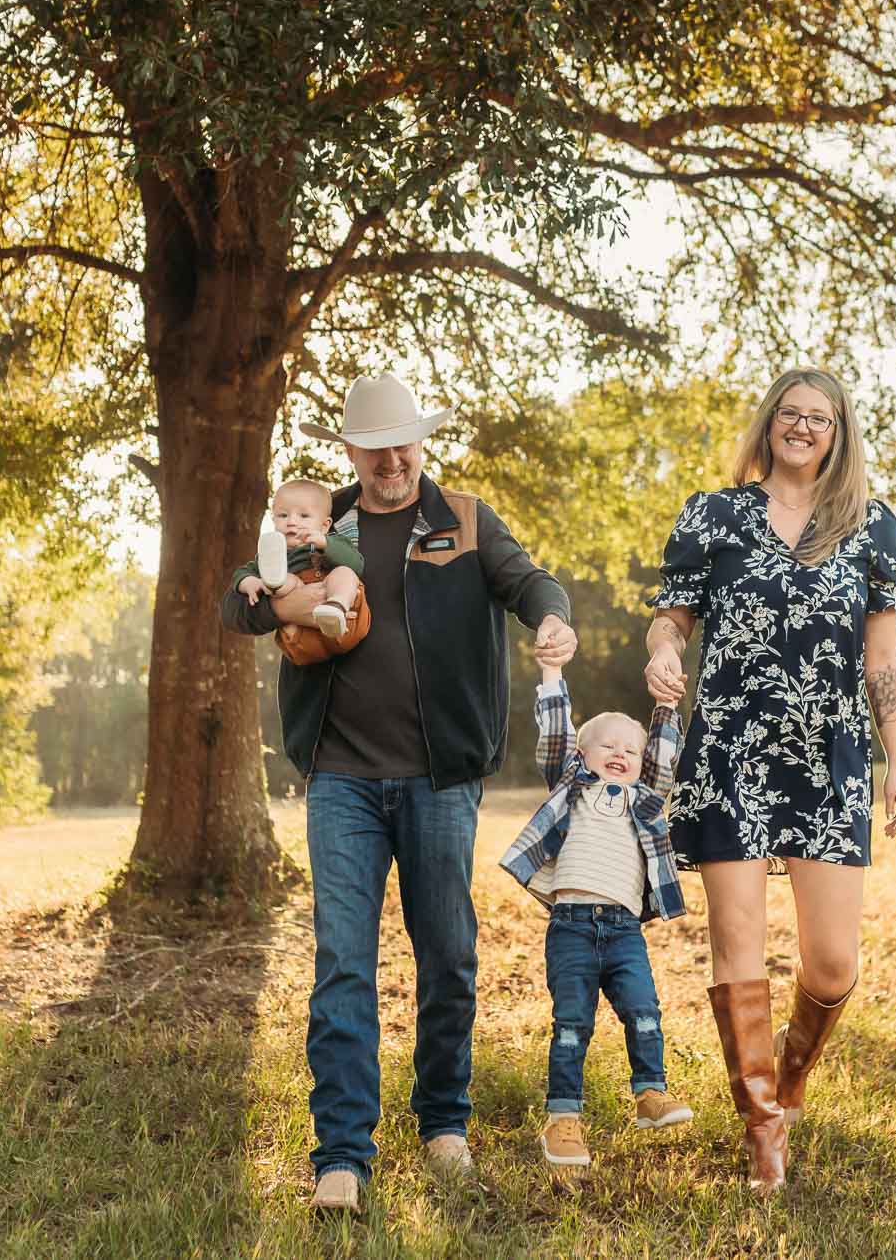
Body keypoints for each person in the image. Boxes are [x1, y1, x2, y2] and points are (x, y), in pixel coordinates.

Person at [220, 373, 577, 1214]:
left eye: (402, 446)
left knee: (447, 953)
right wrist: (282, 599)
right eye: (374, 450)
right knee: (343, 960)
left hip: (439, 780)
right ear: (350, 452)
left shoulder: (466, 518)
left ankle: (444, 1121)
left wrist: (551, 617)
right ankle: (342, 1153)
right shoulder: (323, 523)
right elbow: (240, 604)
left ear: (421, 442)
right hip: (340, 778)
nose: (391, 462)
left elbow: (530, 582)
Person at [643, 367, 896, 1195]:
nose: (802, 426)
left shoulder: (868, 525)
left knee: (831, 963)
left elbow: (882, 653)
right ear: (768, 425)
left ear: (839, 432)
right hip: (730, 746)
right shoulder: (713, 513)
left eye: (818, 417)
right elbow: (673, 613)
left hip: (830, 757)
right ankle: (762, 1127)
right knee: (739, 939)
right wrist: (663, 649)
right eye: (789, 413)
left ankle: (788, 1081)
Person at [498, 653, 695, 1169]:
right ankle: (563, 1119)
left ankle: (650, 1093)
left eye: (630, 750)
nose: (620, 754)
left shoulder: (645, 799)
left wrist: (666, 704)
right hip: (571, 928)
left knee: (644, 1011)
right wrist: (551, 674)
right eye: (608, 746)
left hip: (625, 930)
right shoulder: (572, 787)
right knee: (572, 1023)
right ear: (582, 756)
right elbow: (555, 734)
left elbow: (664, 754)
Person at [233, 477, 370, 665]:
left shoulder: (332, 542)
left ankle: (336, 605)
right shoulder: (271, 555)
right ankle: (274, 583)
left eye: (304, 516)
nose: (292, 522)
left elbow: (357, 564)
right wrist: (248, 583)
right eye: (283, 515)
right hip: (301, 638)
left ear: (324, 525)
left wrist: (325, 544)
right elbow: (243, 572)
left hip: (345, 624)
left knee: (345, 573)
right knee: (288, 580)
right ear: (273, 520)